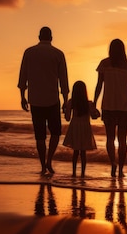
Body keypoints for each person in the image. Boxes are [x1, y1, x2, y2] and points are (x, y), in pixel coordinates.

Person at [18, 26, 69, 175]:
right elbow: (63, 80)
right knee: (55, 133)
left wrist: (22, 96)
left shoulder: (29, 52)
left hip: (35, 99)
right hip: (52, 99)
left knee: (39, 136)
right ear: (51, 37)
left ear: (39, 37)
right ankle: (49, 161)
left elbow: (23, 76)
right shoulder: (58, 54)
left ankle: (42, 165)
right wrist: (65, 101)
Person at [93, 39, 127, 177]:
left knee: (110, 138)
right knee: (122, 139)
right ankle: (121, 169)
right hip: (125, 106)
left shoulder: (104, 64)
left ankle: (113, 162)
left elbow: (99, 85)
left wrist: (94, 103)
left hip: (108, 105)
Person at [63, 81, 100, 177]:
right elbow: (94, 117)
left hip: (75, 126)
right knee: (83, 153)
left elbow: (67, 118)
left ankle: (74, 173)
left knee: (75, 152)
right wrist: (97, 112)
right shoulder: (88, 103)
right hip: (85, 127)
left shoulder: (71, 102)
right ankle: (83, 173)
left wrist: (65, 110)